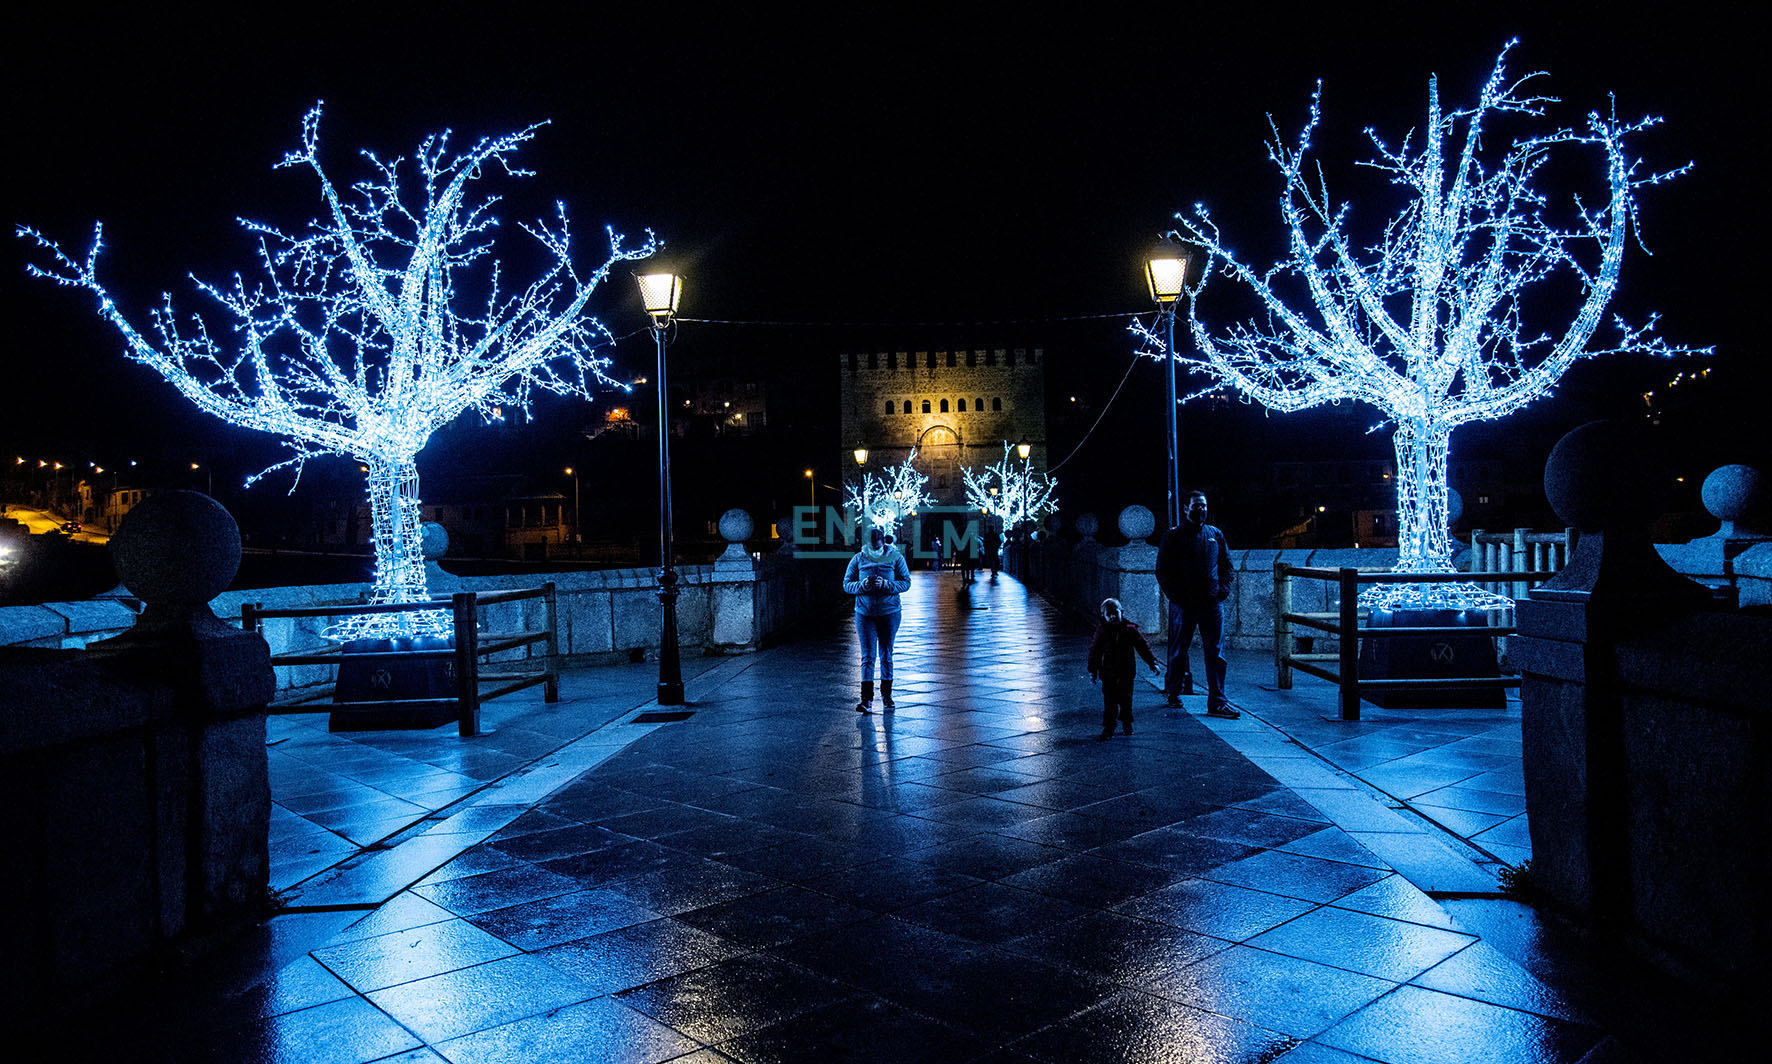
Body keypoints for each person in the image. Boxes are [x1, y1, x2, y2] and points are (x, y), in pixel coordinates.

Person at [1156, 490, 1239, 718]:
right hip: (1184, 604)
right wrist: (1177, 597)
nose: (1201, 510)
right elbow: (1163, 571)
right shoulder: (1173, 536)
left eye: (1203, 506)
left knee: (1216, 653)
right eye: (1196, 506)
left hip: (1211, 603)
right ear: (1185, 509)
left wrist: (1223, 590)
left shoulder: (1215, 534)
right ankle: (1174, 692)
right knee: (1178, 650)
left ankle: (1218, 702)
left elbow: (1226, 565)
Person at [843, 524, 912, 713]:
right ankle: (866, 700)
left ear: (883, 543)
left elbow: (906, 582)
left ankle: (887, 696)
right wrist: (862, 585)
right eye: (871, 548)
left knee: (886, 654)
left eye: (877, 548)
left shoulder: (896, 558)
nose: (874, 552)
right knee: (867, 656)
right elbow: (847, 584)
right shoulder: (858, 559)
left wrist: (887, 584)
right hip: (864, 613)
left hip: (889, 612)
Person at [1088, 597, 1159, 740]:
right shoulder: (1102, 632)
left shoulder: (1130, 630)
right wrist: (1093, 670)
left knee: (1126, 699)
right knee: (1110, 701)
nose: (1113, 616)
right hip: (1108, 672)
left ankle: (1126, 723)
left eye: (1115, 613)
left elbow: (1142, 646)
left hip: (1126, 672)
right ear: (1104, 616)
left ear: (1122, 612)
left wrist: (1152, 662)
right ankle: (1109, 727)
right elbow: (1095, 651)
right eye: (1109, 614)